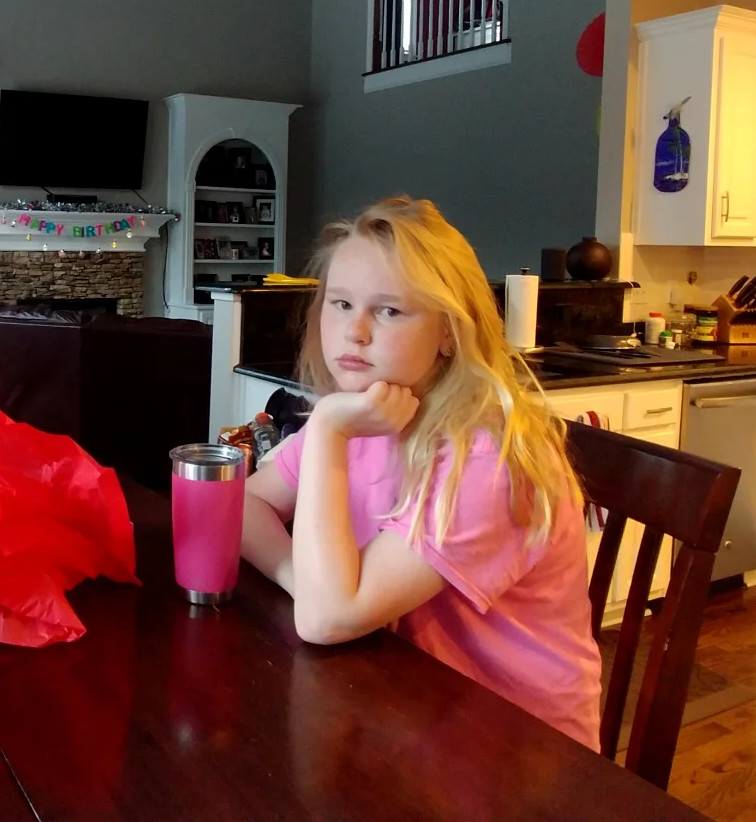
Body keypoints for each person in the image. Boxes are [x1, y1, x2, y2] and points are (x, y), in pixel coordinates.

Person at [239, 196, 601, 748]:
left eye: (389, 311)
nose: (355, 331)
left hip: (515, 750)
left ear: (449, 331)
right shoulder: (366, 409)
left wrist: (329, 431)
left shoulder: (487, 456)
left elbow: (326, 619)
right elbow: (244, 505)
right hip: (403, 713)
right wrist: (301, 578)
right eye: (341, 303)